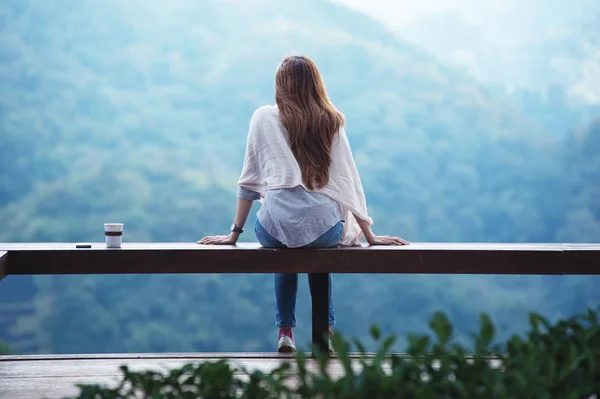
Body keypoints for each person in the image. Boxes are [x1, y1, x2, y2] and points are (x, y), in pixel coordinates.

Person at [197, 55, 409, 353]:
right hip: (324, 229)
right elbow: (349, 180)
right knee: (315, 247)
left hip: (273, 227)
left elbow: (248, 182)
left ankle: (285, 332)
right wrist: (369, 234)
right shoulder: (330, 120)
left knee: (286, 244)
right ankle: (324, 336)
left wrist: (234, 234)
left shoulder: (263, 118)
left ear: (280, 85)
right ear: (315, 84)